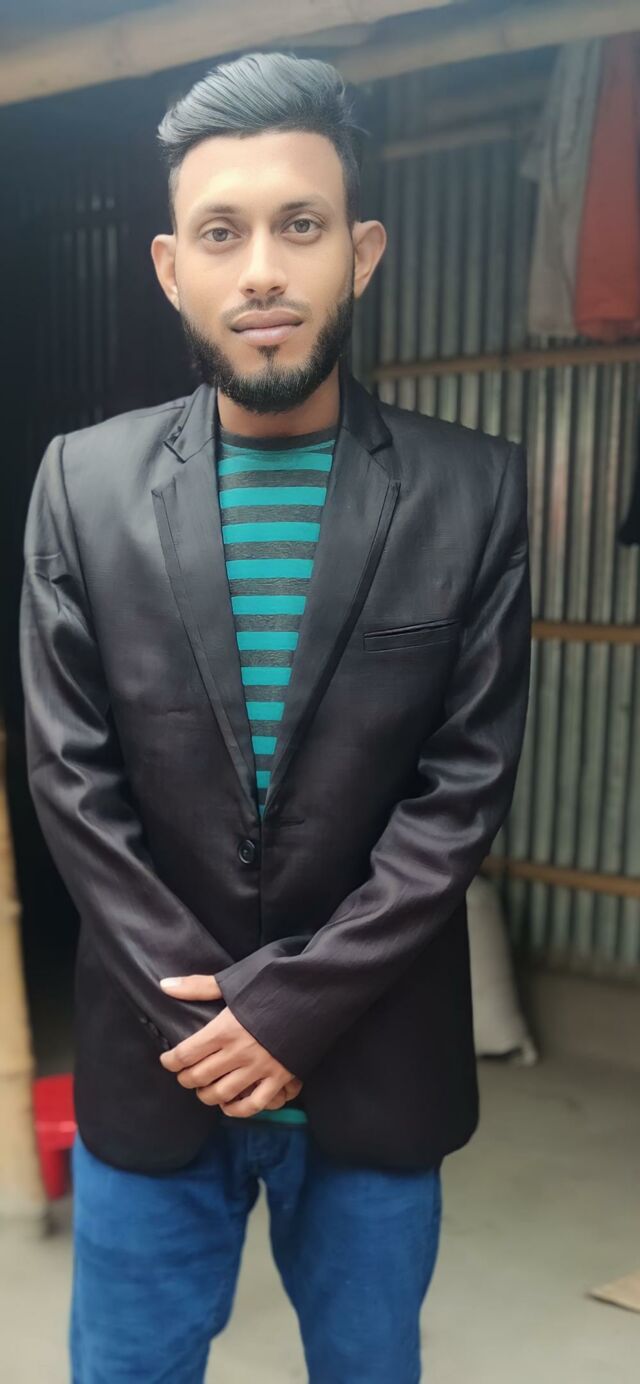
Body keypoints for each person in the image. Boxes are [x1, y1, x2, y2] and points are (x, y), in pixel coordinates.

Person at [19, 50, 531, 1384]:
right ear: (167, 267)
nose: (261, 271)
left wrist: (295, 1010)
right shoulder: (81, 486)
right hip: (158, 1061)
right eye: (220, 232)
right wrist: (214, 1027)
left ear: (361, 251)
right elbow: (72, 782)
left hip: (375, 1067)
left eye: (300, 225)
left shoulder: (474, 493)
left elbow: (460, 793)